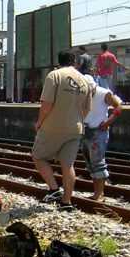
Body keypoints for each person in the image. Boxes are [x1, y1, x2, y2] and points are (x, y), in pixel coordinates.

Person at [33, 50, 92, 209]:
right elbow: (87, 108)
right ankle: (66, 202)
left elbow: (46, 105)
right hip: (76, 128)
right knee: (68, 165)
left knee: (38, 157)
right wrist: (77, 120)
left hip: (53, 126)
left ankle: (53, 189)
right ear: (74, 61)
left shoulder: (54, 75)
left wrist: (39, 122)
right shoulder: (84, 80)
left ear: (59, 61)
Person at [81, 74, 122, 201]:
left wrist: (107, 122)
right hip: (85, 131)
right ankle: (97, 193)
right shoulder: (82, 95)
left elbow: (118, 106)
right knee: (91, 163)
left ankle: (99, 193)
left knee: (98, 163)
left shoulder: (104, 93)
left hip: (98, 132)